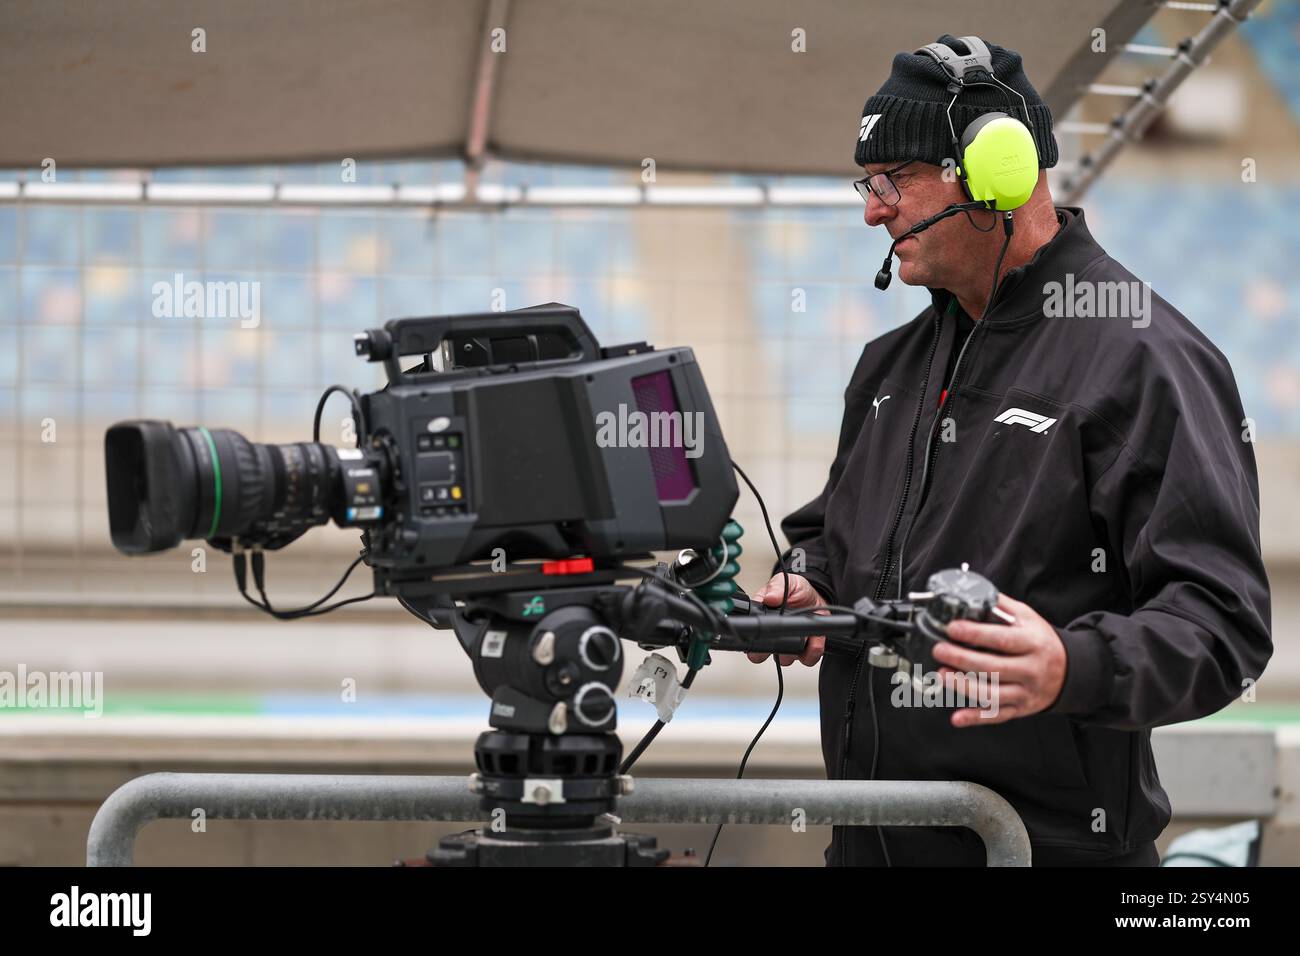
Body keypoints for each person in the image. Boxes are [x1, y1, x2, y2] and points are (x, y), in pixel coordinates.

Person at [746, 34, 1273, 866]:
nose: (871, 211)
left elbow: (1222, 624)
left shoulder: (1143, 357)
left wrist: (1075, 664)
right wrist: (811, 584)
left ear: (997, 174)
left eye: (897, 182)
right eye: (868, 184)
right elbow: (835, 538)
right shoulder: (888, 367)